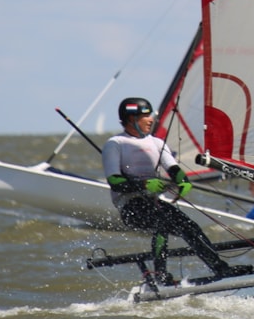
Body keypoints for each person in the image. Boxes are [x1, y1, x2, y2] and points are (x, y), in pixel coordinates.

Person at [101, 96, 239, 285]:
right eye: (146, 116)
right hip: (130, 206)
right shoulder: (115, 144)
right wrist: (144, 185)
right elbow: (114, 181)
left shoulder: (157, 143)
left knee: (190, 228)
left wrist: (183, 181)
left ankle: (221, 269)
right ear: (132, 119)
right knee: (162, 224)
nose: (151, 119)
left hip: (154, 203)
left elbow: (173, 168)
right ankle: (160, 275)